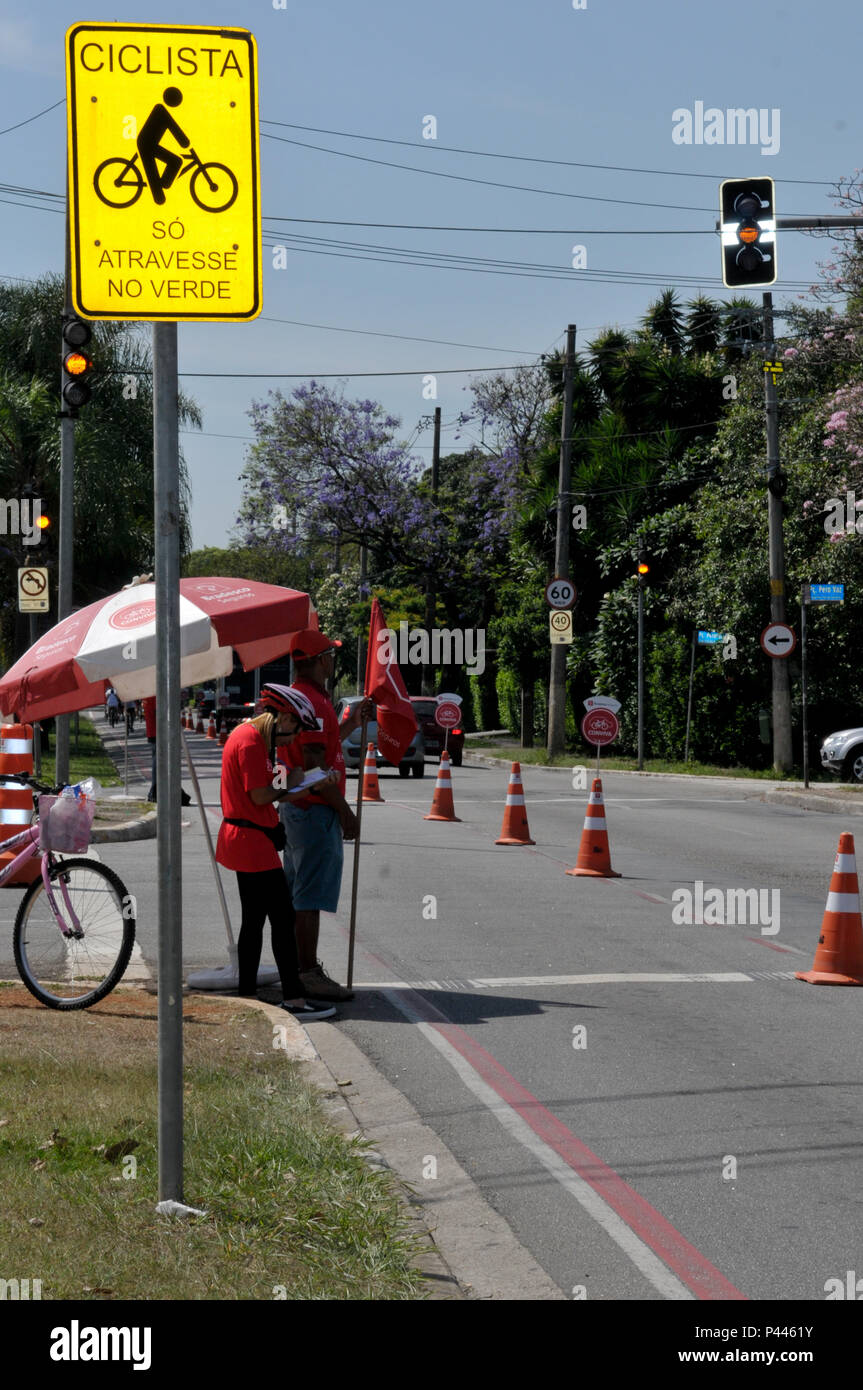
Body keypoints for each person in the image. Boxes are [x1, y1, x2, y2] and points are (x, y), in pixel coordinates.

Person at [215, 683, 337, 1020]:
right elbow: (259, 795)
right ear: (283, 718)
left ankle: (248, 995)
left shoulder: (256, 739)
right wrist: (296, 778)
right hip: (252, 841)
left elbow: (275, 791)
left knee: (254, 921)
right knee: (283, 919)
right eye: (293, 731)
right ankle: (294, 999)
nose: (293, 740)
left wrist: (309, 782)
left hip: (249, 838)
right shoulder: (252, 742)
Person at [277, 629, 373, 1002]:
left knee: (298, 895)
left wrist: (350, 722)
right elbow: (316, 768)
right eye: (330, 655)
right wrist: (345, 812)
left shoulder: (299, 697)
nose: (334, 661)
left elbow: (322, 746)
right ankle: (306, 972)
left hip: (296, 807)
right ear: (319, 661)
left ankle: (299, 969)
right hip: (314, 810)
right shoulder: (313, 703)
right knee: (308, 900)